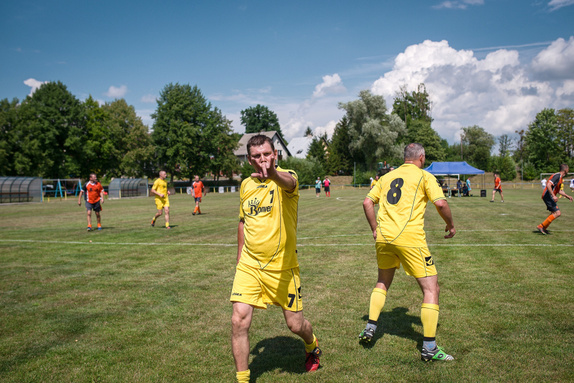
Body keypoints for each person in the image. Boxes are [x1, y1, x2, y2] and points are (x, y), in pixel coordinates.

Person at [230, 134, 321, 383]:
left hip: (283, 268)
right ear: (249, 160)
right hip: (250, 266)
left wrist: (272, 174)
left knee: (296, 325)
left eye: (267, 154)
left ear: (275, 155)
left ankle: (312, 345)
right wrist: (240, 259)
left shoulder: (285, 178)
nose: (263, 159)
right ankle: (242, 379)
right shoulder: (246, 185)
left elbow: (289, 182)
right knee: (239, 320)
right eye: (257, 156)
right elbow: (242, 221)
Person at [359, 143, 456, 362]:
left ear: (405, 158)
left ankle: (370, 327)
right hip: (410, 239)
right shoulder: (424, 176)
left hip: (384, 238)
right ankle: (429, 348)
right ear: (421, 158)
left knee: (382, 282)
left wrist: (375, 229)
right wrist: (450, 225)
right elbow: (440, 203)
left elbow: (367, 202)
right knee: (432, 288)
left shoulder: (386, 177)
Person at [537, 164, 573, 235]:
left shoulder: (560, 178)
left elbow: (558, 190)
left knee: (554, 213)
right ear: (565, 170)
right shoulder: (557, 176)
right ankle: (541, 226)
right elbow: (548, 185)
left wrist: (567, 196)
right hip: (548, 196)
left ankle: (543, 227)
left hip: (548, 196)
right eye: (568, 169)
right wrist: (553, 196)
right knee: (557, 213)